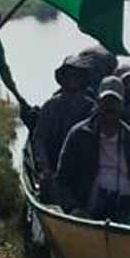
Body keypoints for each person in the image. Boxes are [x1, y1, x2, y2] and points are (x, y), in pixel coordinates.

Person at [56, 77, 130, 222]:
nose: (109, 106)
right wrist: (73, 208)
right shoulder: (78, 134)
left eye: (115, 102)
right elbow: (62, 179)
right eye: (105, 101)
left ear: (122, 105)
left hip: (124, 216)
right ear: (98, 102)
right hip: (86, 214)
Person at [31, 55, 95, 197]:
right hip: (53, 168)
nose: (73, 79)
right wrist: (45, 168)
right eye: (69, 74)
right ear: (63, 78)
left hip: (81, 171)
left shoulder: (92, 108)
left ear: (83, 79)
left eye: (77, 75)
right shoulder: (50, 106)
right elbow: (39, 139)